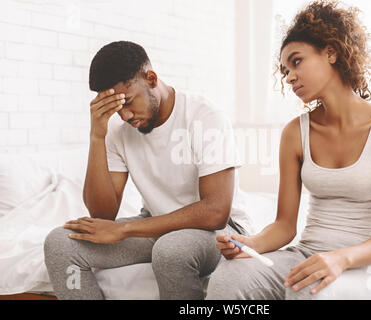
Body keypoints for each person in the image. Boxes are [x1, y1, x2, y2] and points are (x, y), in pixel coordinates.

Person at [206, 0, 371, 300]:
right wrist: (249, 243)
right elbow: (284, 226)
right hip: (306, 255)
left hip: (366, 266)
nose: (289, 77)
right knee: (229, 277)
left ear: (331, 52)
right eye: (285, 70)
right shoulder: (295, 133)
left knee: (309, 290)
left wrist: (340, 258)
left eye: (296, 62)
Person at [43, 41, 252, 300]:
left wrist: (125, 230)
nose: (126, 116)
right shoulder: (118, 130)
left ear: (150, 78)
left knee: (171, 251)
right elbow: (102, 214)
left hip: (221, 232)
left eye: (128, 102)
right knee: (61, 243)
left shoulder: (204, 116)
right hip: (155, 226)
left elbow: (216, 212)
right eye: (116, 109)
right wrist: (97, 136)